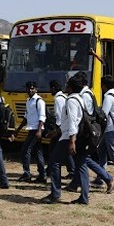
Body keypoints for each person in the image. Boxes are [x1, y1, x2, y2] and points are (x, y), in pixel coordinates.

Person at [42, 74, 90, 205]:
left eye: (67, 85)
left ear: (70, 87)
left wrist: (72, 140)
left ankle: (55, 193)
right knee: (82, 165)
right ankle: (84, 197)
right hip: (77, 136)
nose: (65, 87)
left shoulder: (71, 101)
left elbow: (73, 121)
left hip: (69, 136)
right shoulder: (80, 99)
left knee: (54, 162)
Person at [67, 73, 114, 193]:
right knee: (81, 158)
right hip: (84, 129)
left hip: (85, 131)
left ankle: (107, 178)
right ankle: (75, 184)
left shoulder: (85, 95)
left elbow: (85, 115)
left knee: (83, 158)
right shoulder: (86, 93)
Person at [15, 81, 47, 183]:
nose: (30, 90)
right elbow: (26, 117)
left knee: (25, 150)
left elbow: (42, 116)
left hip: (36, 130)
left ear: (36, 89)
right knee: (38, 153)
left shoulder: (39, 101)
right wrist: (18, 129)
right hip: (31, 128)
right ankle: (42, 175)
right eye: (28, 88)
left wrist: (39, 130)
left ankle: (27, 174)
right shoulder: (29, 101)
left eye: (32, 88)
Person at [46, 79, 75, 179]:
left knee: (53, 150)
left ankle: (50, 171)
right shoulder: (64, 97)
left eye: (50, 89)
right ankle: (71, 170)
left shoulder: (58, 99)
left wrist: (56, 130)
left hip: (60, 128)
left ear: (53, 88)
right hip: (64, 128)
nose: (50, 91)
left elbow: (58, 115)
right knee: (64, 151)